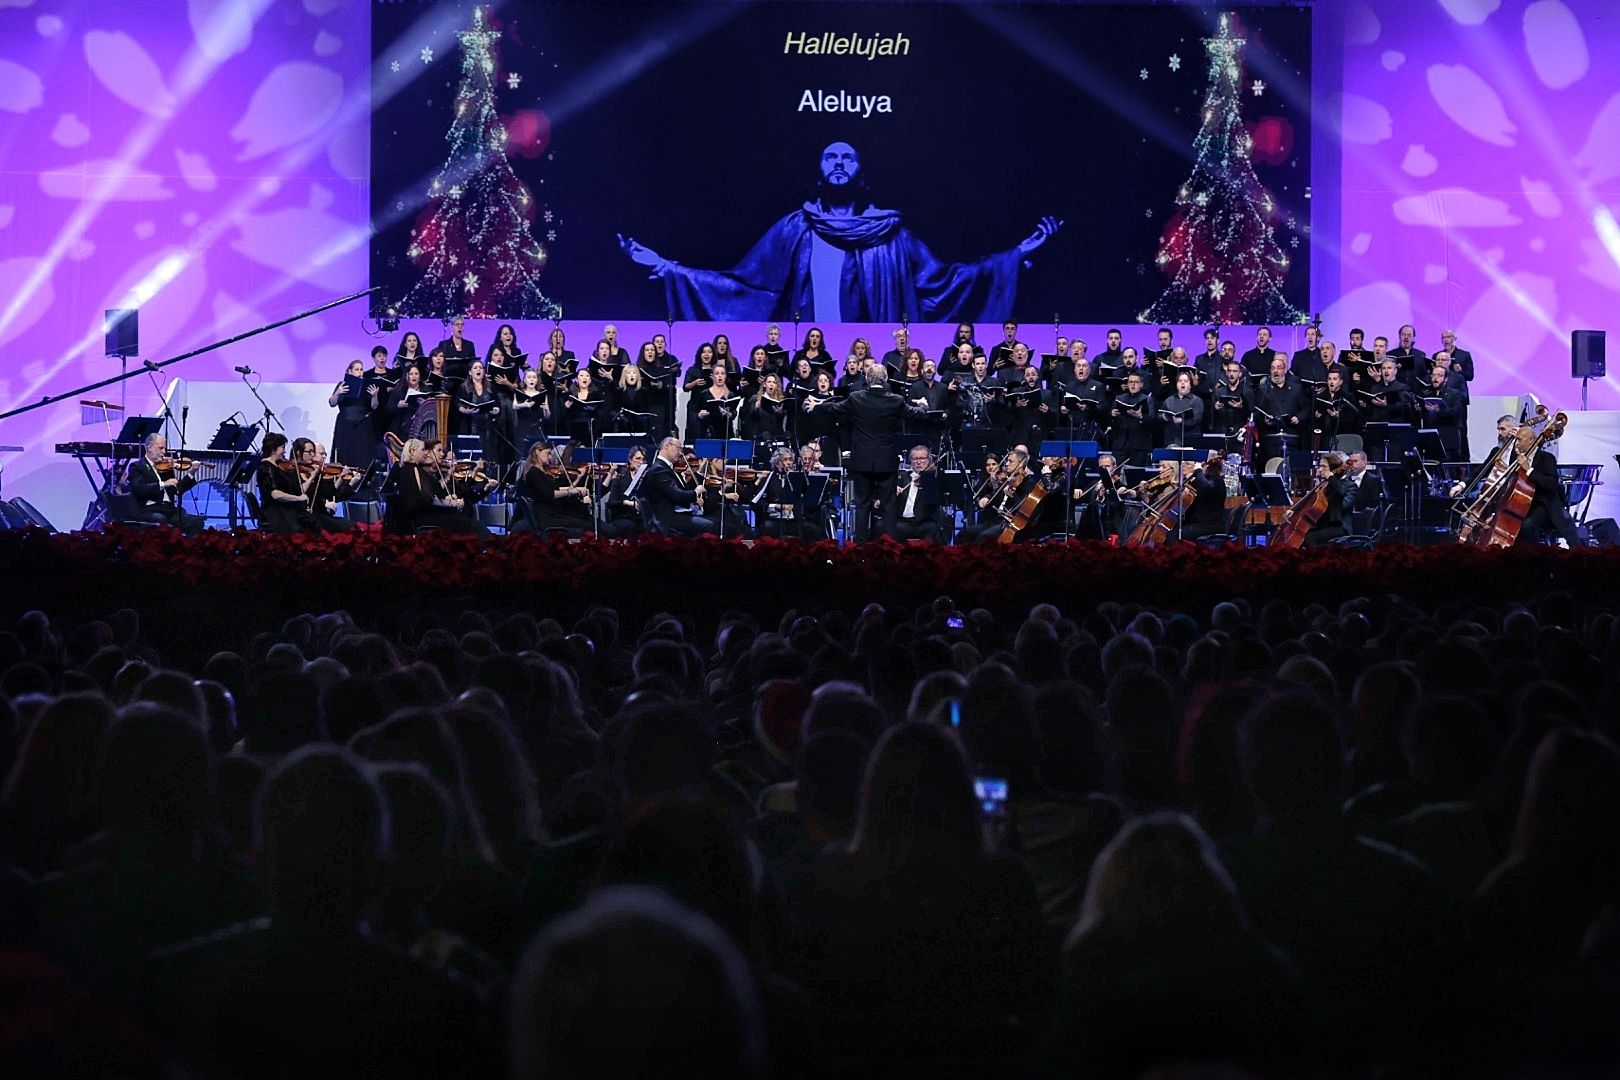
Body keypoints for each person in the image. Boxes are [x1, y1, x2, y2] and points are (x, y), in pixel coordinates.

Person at [619, 141, 1062, 321]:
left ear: (860, 170)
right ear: (818, 168)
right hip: (811, 360)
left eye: (847, 157)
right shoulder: (798, 227)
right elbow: (743, 288)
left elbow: (943, 282)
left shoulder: (890, 232)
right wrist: (668, 267)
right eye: (830, 157)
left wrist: (1016, 252)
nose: (838, 164)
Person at [805, 365, 928, 542]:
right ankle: (890, 546)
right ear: (885, 380)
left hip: (862, 461)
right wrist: (923, 406)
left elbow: (835, 408)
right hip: (886, 461)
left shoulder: (856, 398)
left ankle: (861, 546)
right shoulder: (896, 400)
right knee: (889, 505)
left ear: (867, 380)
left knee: (862, 504)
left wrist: (817, 406)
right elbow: (917, 414)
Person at [1511, 422, 1581, 547]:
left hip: (1544, 505)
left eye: (1519, 439)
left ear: (1531, 440)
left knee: (1527, 525)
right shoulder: (1516, 459)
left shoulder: (1546, 458)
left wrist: (1528, 469)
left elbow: (1550, 484)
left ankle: (1536, 556)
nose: (1516, 443)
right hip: (1523, 504)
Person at [640, 436, 718, 536]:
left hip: (674, 514)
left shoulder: (663, 468)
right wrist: (696, 492)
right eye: (678, 448)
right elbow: (677, 494)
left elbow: (676, 494)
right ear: (667, 446)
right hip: (666, 519)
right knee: (712, 525)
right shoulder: (659, 469)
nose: (681, 453)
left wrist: (693, 500)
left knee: (715, 522)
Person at [128, 433, 204, 533]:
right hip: (150, 510)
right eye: (161, 448)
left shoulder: (166, 467)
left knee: (197, 521)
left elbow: (178, 490)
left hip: (170, 510)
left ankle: (185, 547)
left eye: (164, 449)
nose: (164, 452)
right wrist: (163, 484)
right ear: (149, 448)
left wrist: (191, 473)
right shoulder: (137, 466)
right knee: (161, 521)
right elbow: (139, 489)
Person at [516, 443, 594, 538]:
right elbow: (550, 493)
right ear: (537, 452)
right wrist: (570, 492)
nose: (550, 457)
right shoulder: (533, 473)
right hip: (546, 516)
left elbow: (556, 488)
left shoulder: (543, 472)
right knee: (585, 526)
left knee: (584, 521)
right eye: (548, 453)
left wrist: (576, 487)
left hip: (553, 512)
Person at [255, 434, 321, 535]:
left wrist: (311, 477)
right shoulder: (265, 467)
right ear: (273, 449)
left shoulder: (279, 466)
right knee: (308, 525)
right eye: (282, 448)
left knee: (312, 521)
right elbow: (275, 494)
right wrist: (298, 499)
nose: (285, 451)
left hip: (286, 508)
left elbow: (296, 489)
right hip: (277, 511)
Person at [881, 445, 943, 542]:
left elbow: (935, 502)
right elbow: (885, 499)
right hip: (903, 521)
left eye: (922, 459)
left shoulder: (934, 478)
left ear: (929, 460)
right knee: (892, 528)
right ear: (910, 461)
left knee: (933, 529)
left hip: (924, 522)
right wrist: (892, 492)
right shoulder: (901, 477)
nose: (918, 462)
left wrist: (927, 481)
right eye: (915, 459)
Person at [329, 360, 380, 468]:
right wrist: (338, 393)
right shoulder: (342, 385)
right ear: (349, 371)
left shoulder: (367, 385)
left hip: (362, 424)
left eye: (361, 369)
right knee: (345, 453)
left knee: (362, 455)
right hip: (345, 424)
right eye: (356, 369)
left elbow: (374, 406)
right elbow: (332, 403)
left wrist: (375, 396)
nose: (360, 372)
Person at [1301, 451, 1358, 547]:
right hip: (1324, 525)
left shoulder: (1351, 486)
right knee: (1303, 534)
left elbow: (1342, 506)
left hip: (1340, 527)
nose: (1320, 469)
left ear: (1333, 469)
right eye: (1320, 466)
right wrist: (1293, 511)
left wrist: (1332, 479)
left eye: (1324, 466)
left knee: (1311, 537)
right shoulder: (1326, 484)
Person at [687, 366, 740, 442]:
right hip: (707, 432)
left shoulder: (730, 395)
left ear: (725, 376)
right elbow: (695, 412)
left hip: (725, 432)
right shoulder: (704, 394)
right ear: (712, 376)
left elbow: (734, 412)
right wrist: (700, 415)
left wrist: (729, 414)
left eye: (722, 374)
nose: (720, 376)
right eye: (717, 373)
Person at [1159, 372, 1204, 447]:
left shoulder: (1197, 401)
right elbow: (1160, 415)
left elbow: (1196, 419)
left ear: (1190, 385)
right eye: (1180, 381)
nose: (1182, 383)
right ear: (1177, 385)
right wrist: (1162, 417)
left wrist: (1182, 421)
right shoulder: (1169, 400)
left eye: (1186, 381)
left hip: (1190, 439)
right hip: (1171, 439)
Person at [433, 315, 478, 379]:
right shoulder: (443, 344)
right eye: (457, 324)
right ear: (451, 328)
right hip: (448, 379)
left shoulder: (470, 345)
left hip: (465, 379)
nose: (460, 327)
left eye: (462, 325)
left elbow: (473, 363)